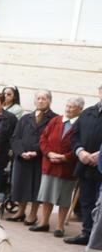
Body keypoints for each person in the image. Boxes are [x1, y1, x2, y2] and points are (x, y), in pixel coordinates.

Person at [32, 96, 82, 235]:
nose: (69, 109)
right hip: (50, 164)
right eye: (67, 106)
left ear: (80, 109)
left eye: (72, 107)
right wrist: (49, 154)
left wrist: (65, 157)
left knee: (64, 198)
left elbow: (81, 144)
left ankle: (60, 227)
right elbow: (43, 138)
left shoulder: (80, 124)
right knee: (47, 195)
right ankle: (43, 222)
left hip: (67, 167)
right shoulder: (56, 120)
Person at [7, 90, 55, 225]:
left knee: (36, 187)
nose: (40, 101)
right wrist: (21, 152)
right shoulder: (25, 118)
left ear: (49, 101)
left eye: (44, 98)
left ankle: (33, 215)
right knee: (21, 185)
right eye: (38, 98)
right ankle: (20, 212)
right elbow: (15, 137)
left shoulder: (54, 119)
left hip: (39, 159)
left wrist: (35, 151)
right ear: (34, 101)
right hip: (22, 158)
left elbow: (50, 141)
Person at [68, 84, 102, 246]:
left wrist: (100, 155)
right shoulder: (88, 113)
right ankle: (87, 233)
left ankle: (98, 237)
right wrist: (80, 152)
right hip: (86, 165)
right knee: (87, 201)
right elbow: (74, 136)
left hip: (100, 166)